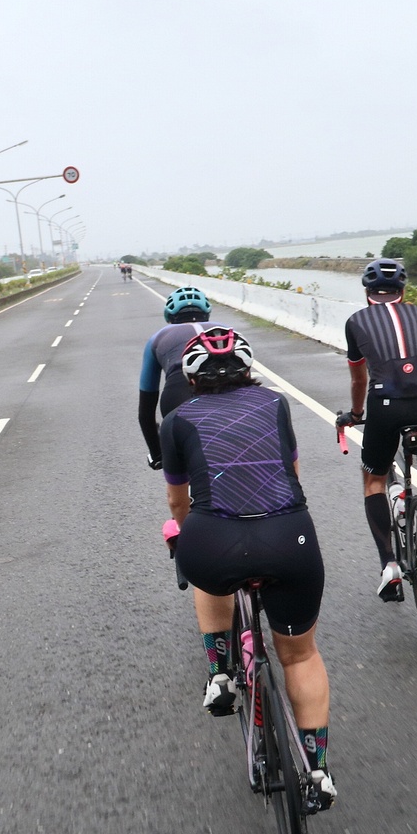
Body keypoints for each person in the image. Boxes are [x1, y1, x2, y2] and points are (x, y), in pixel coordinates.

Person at [162, 328, 335, 806]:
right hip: (288, 536)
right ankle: (318, 771)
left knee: (206, 571)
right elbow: (291, 473)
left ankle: (219, 673)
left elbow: (178, 502)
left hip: (215, 542)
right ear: (249, 370)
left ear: (191, 380)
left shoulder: (176, 420)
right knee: (300, 656)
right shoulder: (276, 404)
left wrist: (190, 537)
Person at [334, 258, 417, 602]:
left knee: (374, 481)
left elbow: (359, 379)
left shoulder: (356, 321)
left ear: (368, 293)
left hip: (385, 404)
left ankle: (389, 565)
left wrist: (355, 414)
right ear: (403, 291)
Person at [137, 286, 213, 469]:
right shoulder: (227, 330)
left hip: (178, 393)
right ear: (207, 314)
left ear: (170, 317)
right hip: (231, 389)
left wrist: (157, 454)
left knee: (179, 464)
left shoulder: (157, 338)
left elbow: (146, 412)